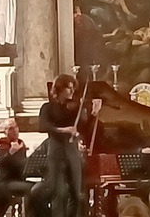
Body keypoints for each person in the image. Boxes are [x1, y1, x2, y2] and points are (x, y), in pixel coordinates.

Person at [39, 74, 102, 217]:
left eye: (73, 88)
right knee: (59, 193)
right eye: (69, 88)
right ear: (59, 88)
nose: (72, 91)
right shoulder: (48, 107)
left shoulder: (73, 109)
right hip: (56, 152)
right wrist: (63, 130)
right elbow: (43, 126)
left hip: (72, 152)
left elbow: (84, 129)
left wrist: (93, 114)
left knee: (77, 193)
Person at [0, 119, 33, 214]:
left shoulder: (21, 143)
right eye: (11, 128)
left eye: (16, 127)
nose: (15, 130)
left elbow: (22, 165)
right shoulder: (2, 145)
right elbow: (0, 164)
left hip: (19, 179)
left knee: (39, 187)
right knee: (32, 188)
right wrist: (10, 152)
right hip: (6, 181)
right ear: (5, 131)